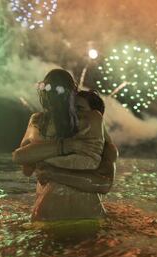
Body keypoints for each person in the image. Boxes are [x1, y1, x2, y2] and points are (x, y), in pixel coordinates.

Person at [13, 69, 114, 221]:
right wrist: (68, 146)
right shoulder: (40, 122)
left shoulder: (39, 124)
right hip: (86, 215)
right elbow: (22, 161)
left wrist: (53, 171)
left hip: (48, 215)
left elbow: (104, 184)